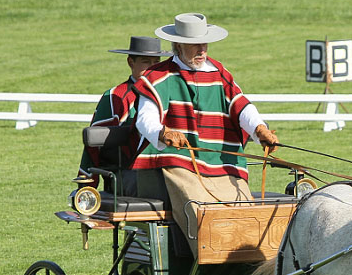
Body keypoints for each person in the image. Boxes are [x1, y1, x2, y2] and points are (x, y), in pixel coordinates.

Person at [132, 13, 279, 257]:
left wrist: (259, 129)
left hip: (223, 161)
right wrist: (164, 132)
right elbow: (145, 120)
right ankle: (210, 262)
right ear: (178, 45)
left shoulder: (219, 72)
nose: (202, 50)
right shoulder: (157, 76)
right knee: (201, 210)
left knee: (245, 212)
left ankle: (249, 263)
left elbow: (241, 105)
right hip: (180, 162)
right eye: (195, 45)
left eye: (204, 44)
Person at [78, 36, 172, 189]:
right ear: (130, 62)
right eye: (145, 62)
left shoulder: (168, 93)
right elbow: (92, 146)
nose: (152, 68)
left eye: (156, 62)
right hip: (127, 175)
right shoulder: (114, 97)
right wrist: (87, 187)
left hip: (167, 170)